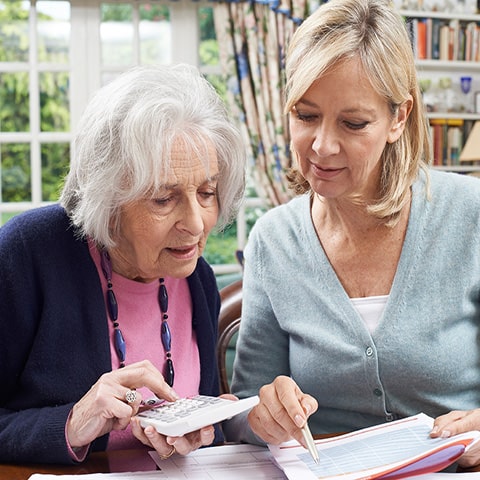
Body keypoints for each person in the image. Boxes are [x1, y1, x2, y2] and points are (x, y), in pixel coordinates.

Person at [223, 0, 480, 469]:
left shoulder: (471, 216)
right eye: (305, 115)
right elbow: (242, 411)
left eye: (353, 123)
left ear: (398, 118)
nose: (322, 145)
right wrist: (264, 415)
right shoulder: (273, 242)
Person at [0, 63, 246, 464]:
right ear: (109, 200)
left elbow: (202, 437)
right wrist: (73, 423)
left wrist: (200, 432)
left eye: (207, 192)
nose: (196, 223)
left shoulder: (196, 277)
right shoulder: (28, 253)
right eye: (164, 199)